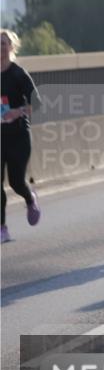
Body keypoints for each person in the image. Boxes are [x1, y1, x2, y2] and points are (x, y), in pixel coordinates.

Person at [1, 30, 40, 243]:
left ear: (11, 47)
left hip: (18, 135)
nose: (0, 48)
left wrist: (17, 112)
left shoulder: (18, 74)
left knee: (16, 182)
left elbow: (38, 103)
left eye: (3, 43)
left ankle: (29, 198)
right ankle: (2, 228)